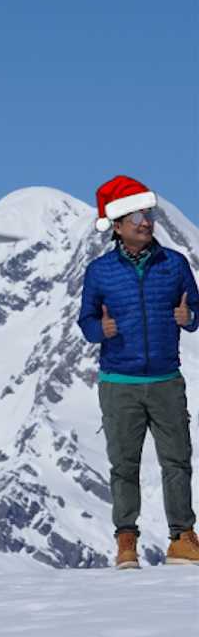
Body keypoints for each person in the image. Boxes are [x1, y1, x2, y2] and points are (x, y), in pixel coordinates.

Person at [78, 175, 199, 568]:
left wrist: (189, 316)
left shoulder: (175, 264)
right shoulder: (99, 272)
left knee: (177, 460)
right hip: (119, 383)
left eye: (147, 214)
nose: (145, 222)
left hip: (166, 379)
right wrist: (101, 330)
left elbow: (196, 310)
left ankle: (182, 538)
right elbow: (86, 320)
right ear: (117, 226)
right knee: (124, 465)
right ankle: (126, 542)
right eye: (135, 217)